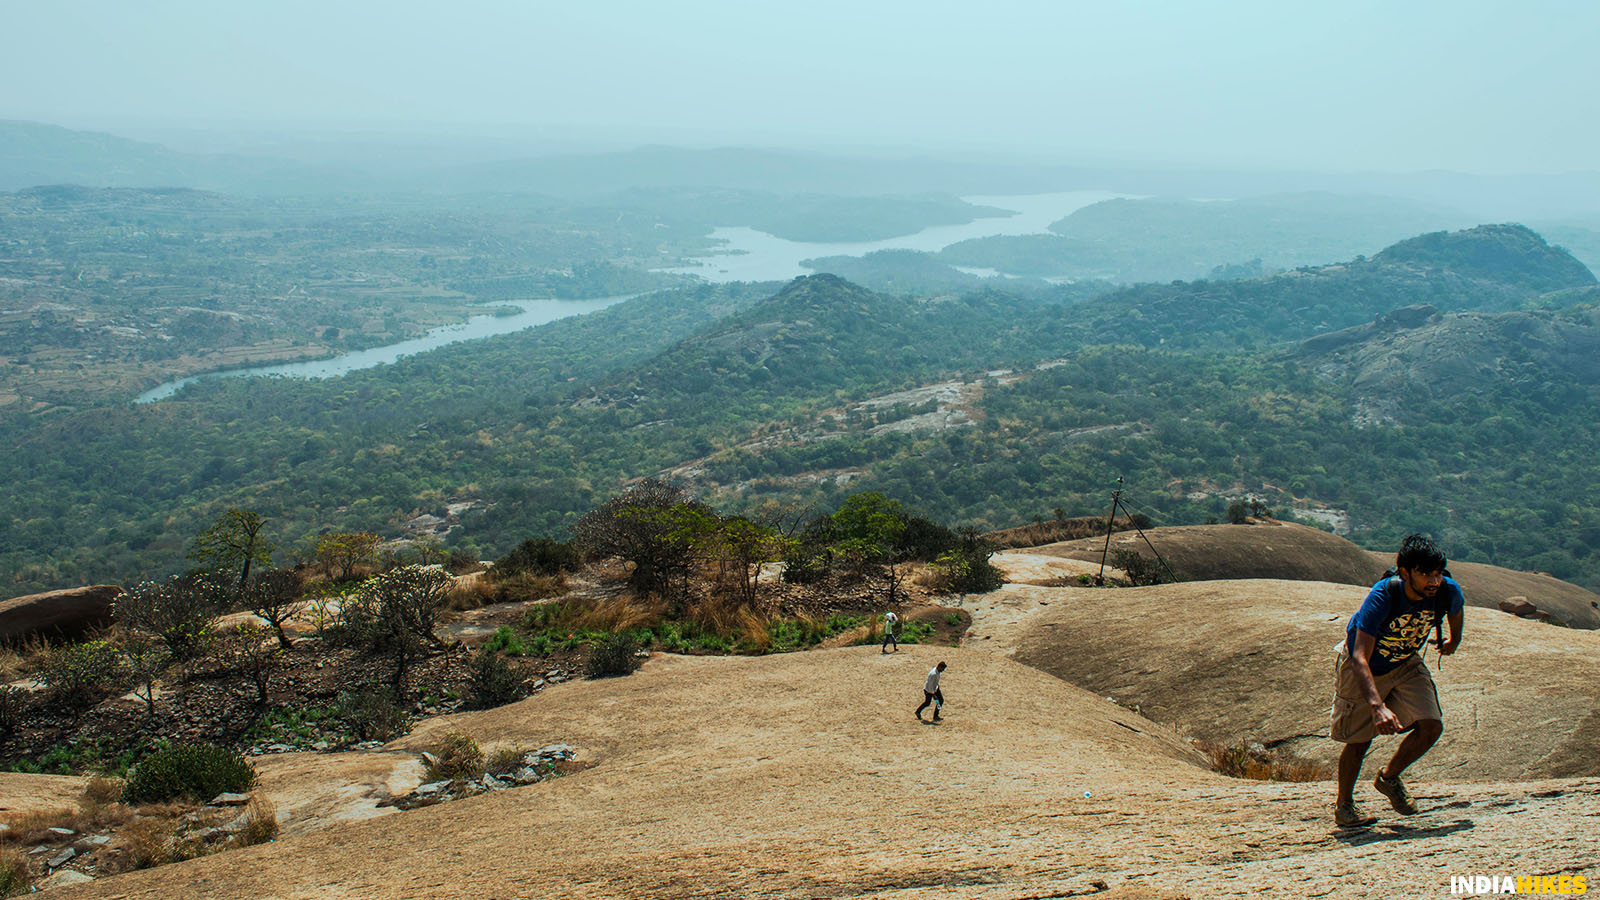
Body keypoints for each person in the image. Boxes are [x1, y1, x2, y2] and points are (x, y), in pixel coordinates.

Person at [1330, 534, 1464, 827]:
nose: (1434, 581)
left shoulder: (1446, 590)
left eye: (1438, 573)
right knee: (1359, 741)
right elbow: (1359, 656)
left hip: (1404, 661)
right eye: (1425, 574)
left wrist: (1454, 640)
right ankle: (1344, 807)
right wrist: (1377, 706)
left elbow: (1456, 609)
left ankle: (1388, 778)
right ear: (1405, 572)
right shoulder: (1383, 596)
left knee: (1431, 726)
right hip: (1366, 666)